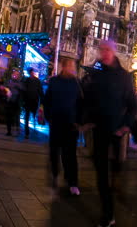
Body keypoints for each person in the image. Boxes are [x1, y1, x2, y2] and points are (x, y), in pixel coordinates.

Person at [84, 40, 137, 227]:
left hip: (116, 131)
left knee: (115, 170)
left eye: (107, 50)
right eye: (102, 50)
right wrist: (86, 120)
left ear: (113, 52)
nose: (104, 53)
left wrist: (125, 126)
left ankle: (116, 190)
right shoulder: (96, 73)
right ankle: (108, 214)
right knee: (100, 173)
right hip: (99, 130)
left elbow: (132, 105)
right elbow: (88, 99)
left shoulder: (123, 76)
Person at [43, 58, 83, 195]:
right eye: (70, 66)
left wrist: (79, 121)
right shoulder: (54, 81)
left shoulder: (77, 83)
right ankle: (54, 174)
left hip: (71, 124)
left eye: (73, 66)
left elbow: (80, 103)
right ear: (63, 67)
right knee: (54, 151)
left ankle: (73, 182)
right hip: (56, 123)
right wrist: (48, 116)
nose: (72, 69)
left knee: (70, 154)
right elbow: (47, 99)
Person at [21, 68, 43, 139]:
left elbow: (40, 91)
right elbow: (40, 91)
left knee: (30, 116)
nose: (32, 73)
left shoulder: (31, 81)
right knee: (29, 116)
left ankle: (30, 130)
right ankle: (28, 131)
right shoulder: (33, 81)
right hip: (31, 101)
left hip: (32, 101)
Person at [2, 70, 22, 136]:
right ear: (12, 75)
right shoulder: (8, 81)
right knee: (9, 117)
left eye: (17, 75)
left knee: (16, 116)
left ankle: (17, 130)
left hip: (16, 102)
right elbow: (4, 88)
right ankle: (9, 131)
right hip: (9, 101)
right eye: (14, 74)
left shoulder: (20, 83)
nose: (15, 75)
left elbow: (23, 89)